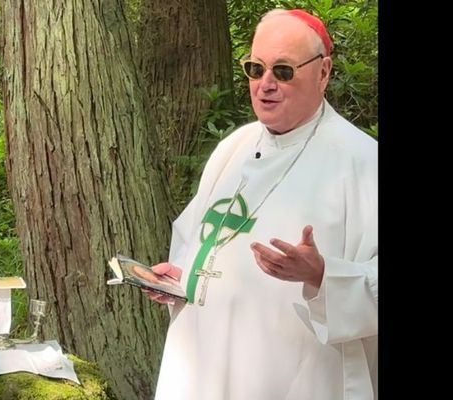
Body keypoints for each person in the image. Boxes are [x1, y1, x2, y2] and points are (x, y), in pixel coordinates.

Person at [146, 8, 378, 400]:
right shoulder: (233, 148)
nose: (265, 84)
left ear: (323, 72)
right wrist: (179, 277)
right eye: (256, 69)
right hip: (204, 370)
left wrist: (323, 275)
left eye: (283, 71)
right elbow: (199, 244)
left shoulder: (362, 161)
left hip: (296, 379)